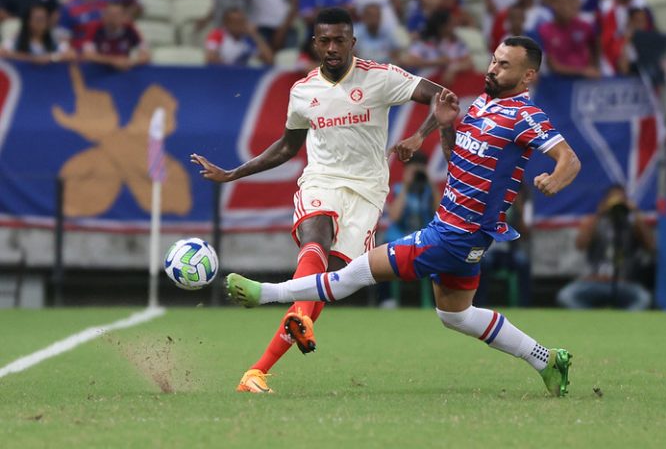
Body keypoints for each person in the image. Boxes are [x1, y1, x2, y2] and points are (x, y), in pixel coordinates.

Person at [225, 35, 582, 397]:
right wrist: (444, 126)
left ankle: (265, 293)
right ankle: (547, 360)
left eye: (505, 65)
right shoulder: (482, 105)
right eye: (494, 59)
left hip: (454, 235)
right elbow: (459, 159)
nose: (493, 67)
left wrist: (554, 180)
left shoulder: (525, 114)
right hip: (458, 232)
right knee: (455, 314)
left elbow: (569, 158)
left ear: (528, 76)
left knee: (355, 272)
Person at [191, 7, 457, 394]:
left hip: (368, 192)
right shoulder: (303, 92)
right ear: (315, 43)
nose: (332, 47)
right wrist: (233, 173)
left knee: (328, 281)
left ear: (353, 42)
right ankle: (298, 319)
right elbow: (287, 147)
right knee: (317, 234)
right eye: (324, 40)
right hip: (322, 180)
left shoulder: (380, 77)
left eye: (339, 40)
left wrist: (419, 136)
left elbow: (441, 96)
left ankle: (256, 371)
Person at [557, 185, 654, 310]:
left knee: (644, 298)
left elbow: (650, 246)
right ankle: (590, 319)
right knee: (566, 296)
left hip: (623, 283)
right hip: (594, 282)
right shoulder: (594, 222)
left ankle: (623, 323)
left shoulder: (632, 224)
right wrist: (599, 213)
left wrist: (635, 212)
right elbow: (580, 245)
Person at [379, 152, 441, 308]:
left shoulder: (429, 191)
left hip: (425, 237)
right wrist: (406, 186)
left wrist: (431, 183)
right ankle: (387, 299)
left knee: (444, 250)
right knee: (383, 252)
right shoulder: (399, 189)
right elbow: (394, 216)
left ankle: (438, 301)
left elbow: (441, 213)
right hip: (400, 235)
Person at [600, 0, 654, 75]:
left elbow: (649, 31)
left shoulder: (642, 6)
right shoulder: (605, 6)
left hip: (635, 46)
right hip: (611, 47)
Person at [537, 0, 600, 78]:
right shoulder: (545, 30)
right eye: (560, 2)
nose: (564, 7)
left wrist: (595, 66)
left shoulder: (584, 26)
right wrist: (582, 72)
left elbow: (596, 44)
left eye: (567, 3)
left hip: (584, 82)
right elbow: (553, 65)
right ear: (553, 5)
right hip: (558, 82)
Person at [401, 9, 474, 85]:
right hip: (428, 80)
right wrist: (436, 62)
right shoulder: (425, 43)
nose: (454, 25)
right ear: (441, 26)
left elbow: (469, 62)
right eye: (451, 23)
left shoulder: (457, 42)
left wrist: (453, 69)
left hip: (453, 80)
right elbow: (408, 62)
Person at [82, 2, 150, 70]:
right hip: (99, 71)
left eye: (116, 15)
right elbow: (88, 55)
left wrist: (131, 62)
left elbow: (146, 56)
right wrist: (113, 61)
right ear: (103, 16)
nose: (112, 18)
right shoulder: (94, 29)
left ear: (123, 17)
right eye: (109, 14)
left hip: (123, 70)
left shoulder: (131, 30)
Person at [0, 4, 74, 64]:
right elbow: (2, 52)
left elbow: (71, 55)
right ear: (28, 21)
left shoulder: (54, 40)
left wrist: (51, 58)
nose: (42, 23)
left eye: (44, 19)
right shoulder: (16, 40)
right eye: (38, 19)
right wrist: (32, 59)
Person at [204, 7, 273, 66]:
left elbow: (269, 60)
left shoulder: (248, 40)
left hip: (241, 77)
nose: (239, 25)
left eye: (242, 22)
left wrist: (255, 34)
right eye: (235, 22)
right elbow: (211, 58)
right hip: (220, 75)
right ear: (226, 23)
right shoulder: (217, 35)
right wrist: (233, 68)